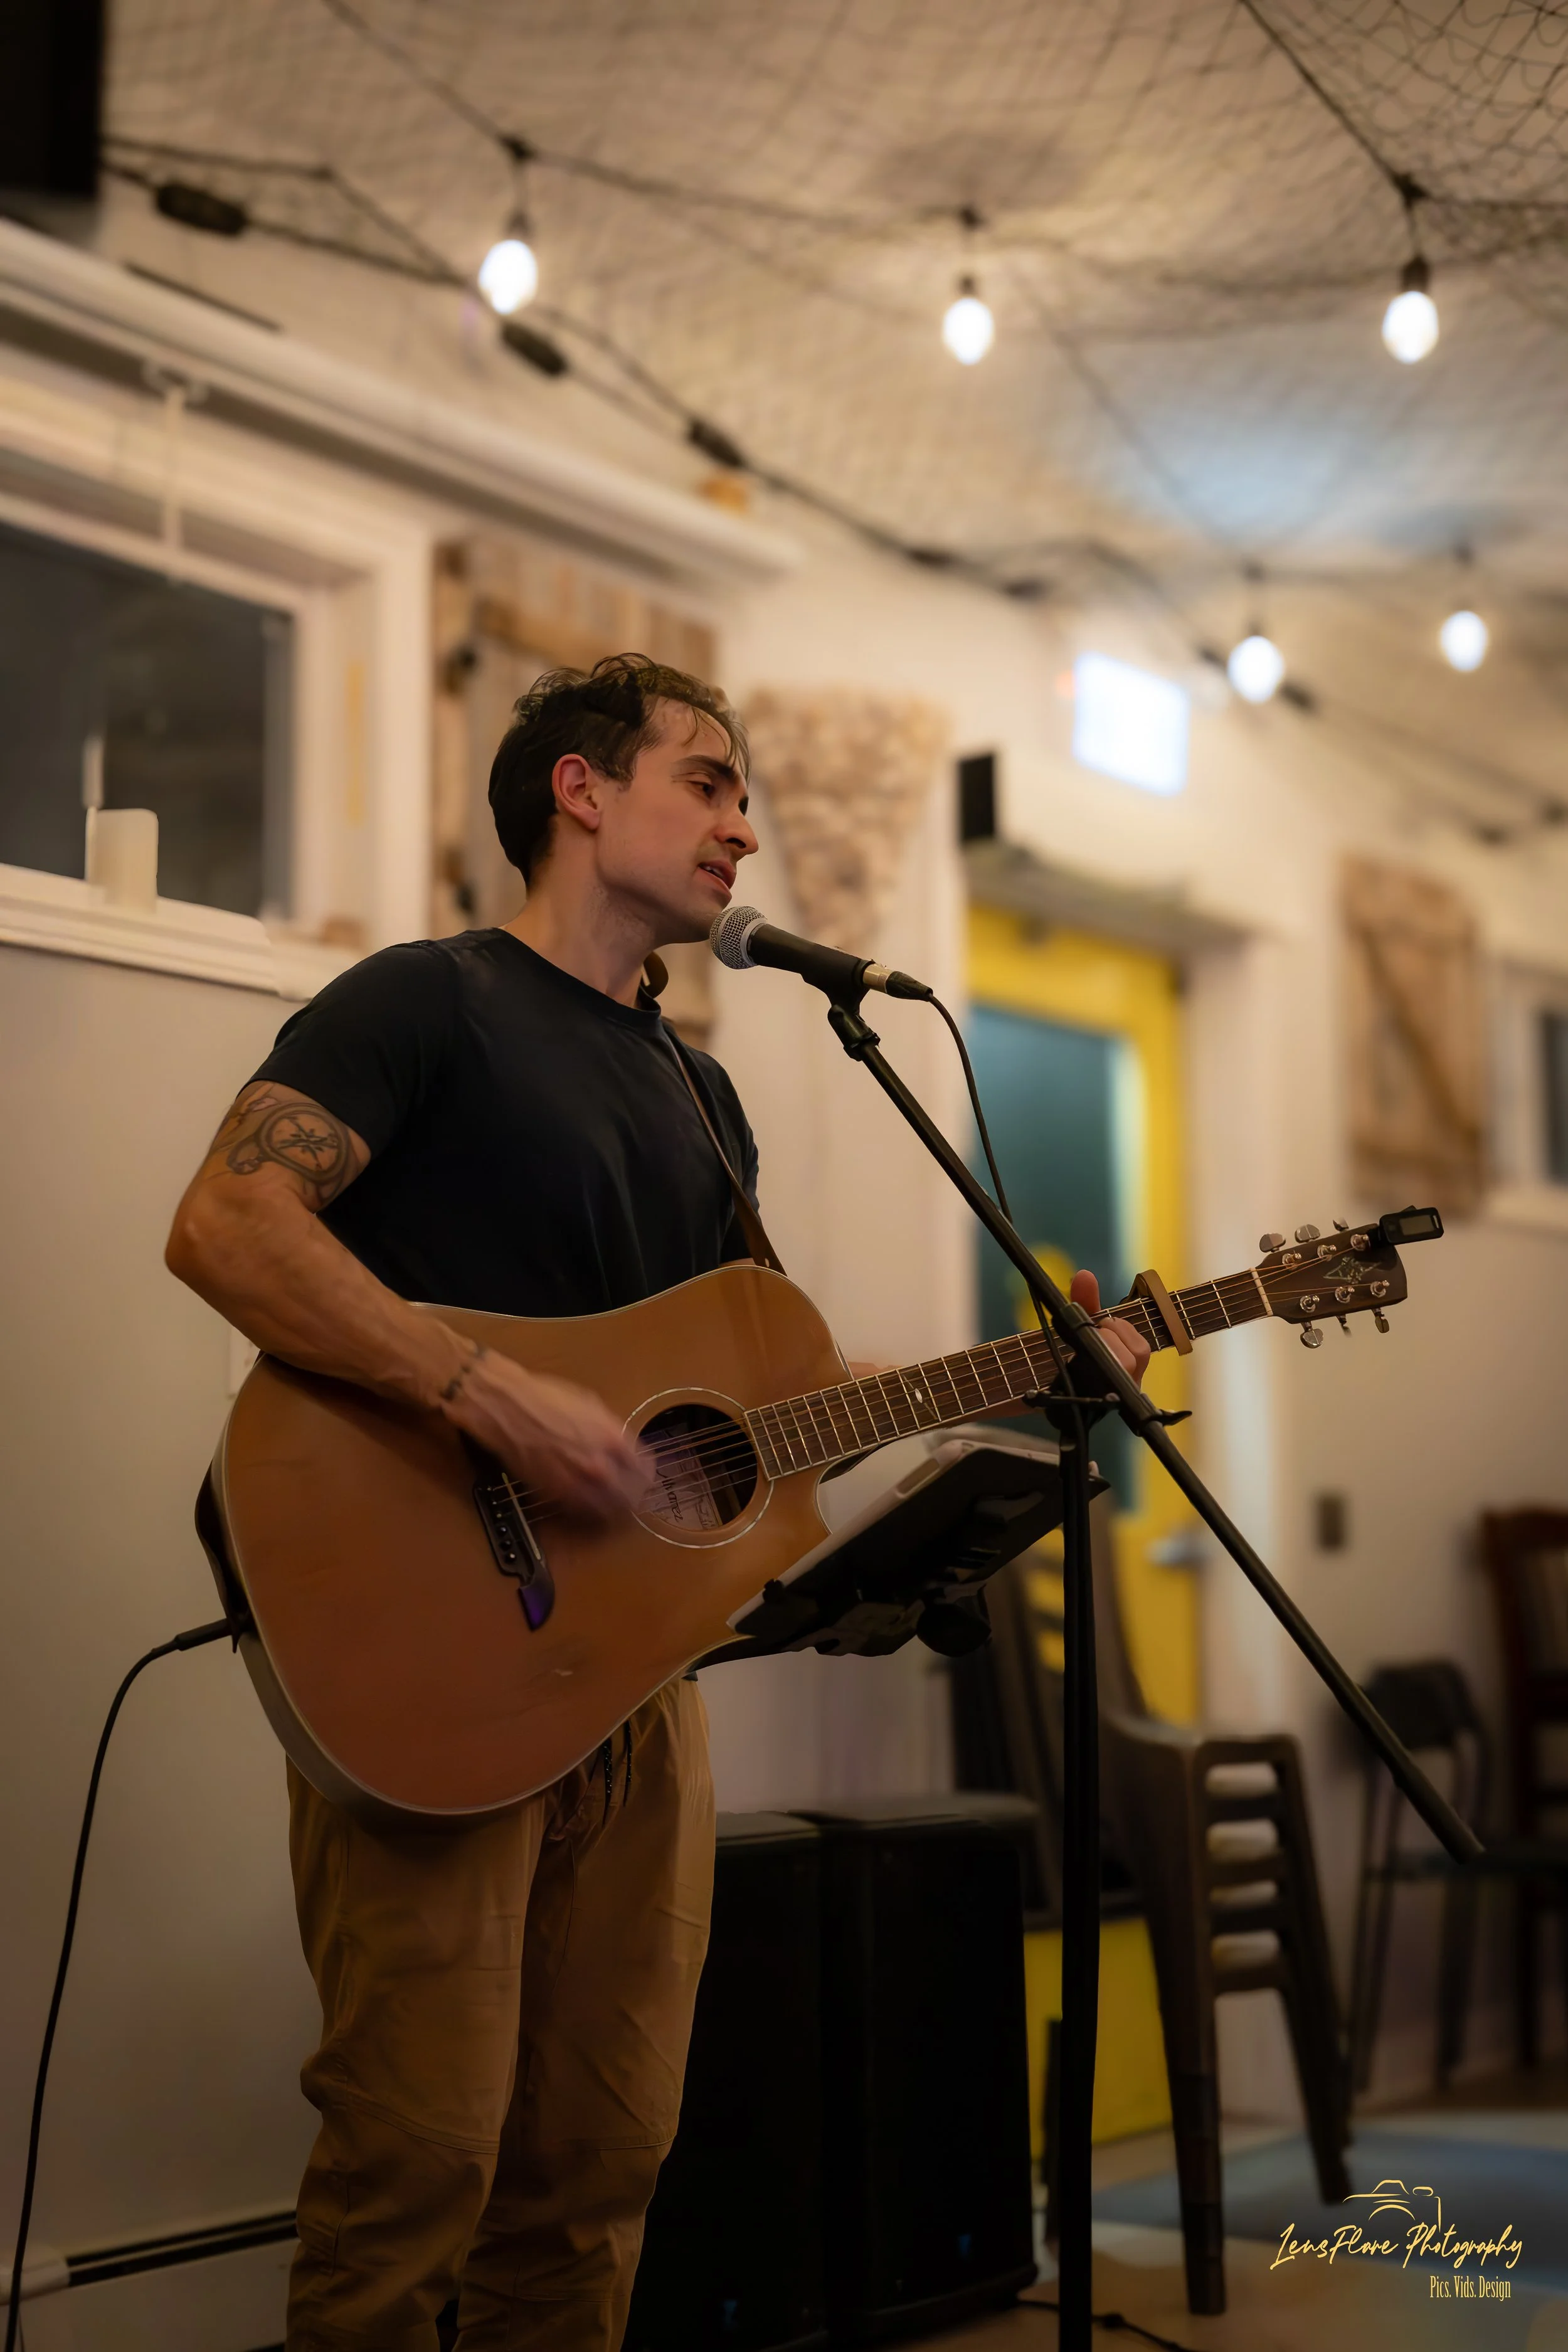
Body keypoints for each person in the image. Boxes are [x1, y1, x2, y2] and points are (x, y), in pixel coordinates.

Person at [166, 652, 1149, 2351]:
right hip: (429, 1670)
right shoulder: (427, 1001)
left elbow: (755, 1423)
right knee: (420, 2161)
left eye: (745, 792)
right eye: (709, 779)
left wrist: (1042, 1368)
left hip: (632, 1687)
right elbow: (229, 1225)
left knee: (601, 2162)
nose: (744, 826)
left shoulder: (707, 1098)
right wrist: (481, 1392)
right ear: (579, 788)